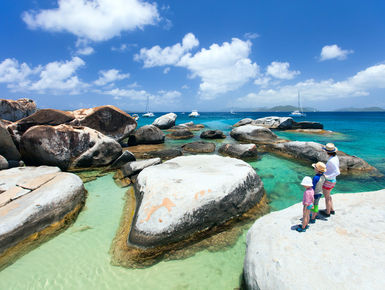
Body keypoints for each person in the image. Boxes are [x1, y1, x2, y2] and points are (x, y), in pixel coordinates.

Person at [320, 143, 340, 217]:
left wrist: (327, 176)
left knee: (327, 197)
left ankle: (327, 212)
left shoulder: (331, 160)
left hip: (329, 181)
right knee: (329, 196)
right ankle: (331, 209)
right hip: (332, 180)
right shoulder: (335, 157)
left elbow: (337, 172)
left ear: (327, 152)